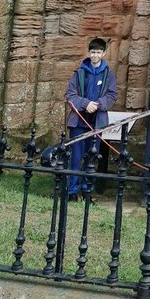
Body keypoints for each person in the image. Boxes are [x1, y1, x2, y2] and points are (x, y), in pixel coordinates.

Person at [64, 37, 118, 200]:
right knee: (76, 158)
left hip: (97, 122)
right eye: (93, 52)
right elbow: (70, 94)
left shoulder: (109, 74)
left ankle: (87, 191)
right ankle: (72, 191)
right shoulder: (79, 73)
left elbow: (112, 95)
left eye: (98, 52)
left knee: (91, 158)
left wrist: (100, 104)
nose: (95, 55)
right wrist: (85, 103)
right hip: (79, 121)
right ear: (89, 52)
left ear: (103, 53)